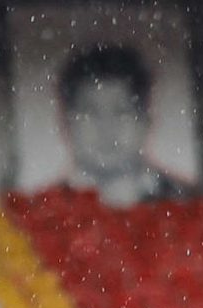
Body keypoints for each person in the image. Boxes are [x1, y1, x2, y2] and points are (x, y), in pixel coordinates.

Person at [58, 45, 195, 206]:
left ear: (146, 120)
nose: (106, 129)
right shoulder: (41, 216)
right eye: (90, 114)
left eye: (121, 112)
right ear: (66, 123)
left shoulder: (190, 205)